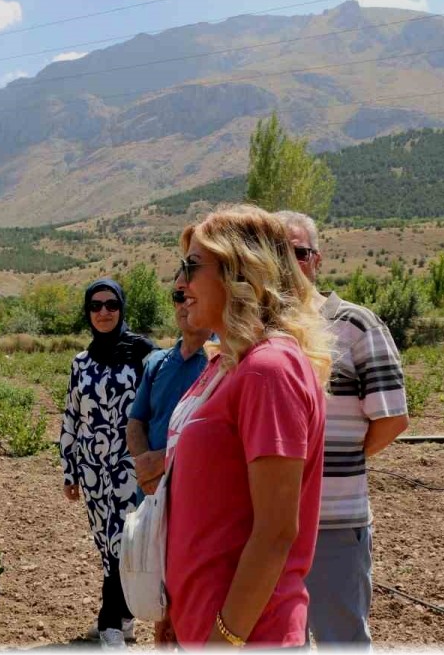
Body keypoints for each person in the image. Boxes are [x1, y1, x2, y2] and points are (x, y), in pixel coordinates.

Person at [162, 204, 332, 649]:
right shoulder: (229, 363)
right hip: (204, 627)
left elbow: (276, 532)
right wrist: (177, 612)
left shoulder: (268, 369)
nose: (180, 284)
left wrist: (224, 640)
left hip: (250, 637)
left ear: (241, 271)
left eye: (191, 267)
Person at [276, 210, 409, 646]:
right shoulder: (258, 329)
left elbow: (391, 417)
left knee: (340, 639)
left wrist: (327, 464)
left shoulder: (356, 324)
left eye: (297, 253)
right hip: (265, 523)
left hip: (332, 519)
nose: (286, 264)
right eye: (275, 252)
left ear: (317, 260)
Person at [61, 278, 156, 649]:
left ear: (122, 309)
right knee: (107, 546)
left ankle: (110, 625)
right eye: (96, 306)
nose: (103, 312)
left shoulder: (143, 355)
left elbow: (160, 404)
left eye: (111, 305)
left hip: (130, 469)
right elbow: (71, 417)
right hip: (92, 472)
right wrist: (69, 469)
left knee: (124, 543)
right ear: (88, 312)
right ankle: (125, 620)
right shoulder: (80, 362)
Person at [126, 293, 213, 498]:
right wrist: (148, 470)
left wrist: (164, 461)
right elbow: (136, 423)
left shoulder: (224, 364)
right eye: (180, 296)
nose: (186, 304)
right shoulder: (156, 363)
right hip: (151, 493)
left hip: (197, 493)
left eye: (194, 296)